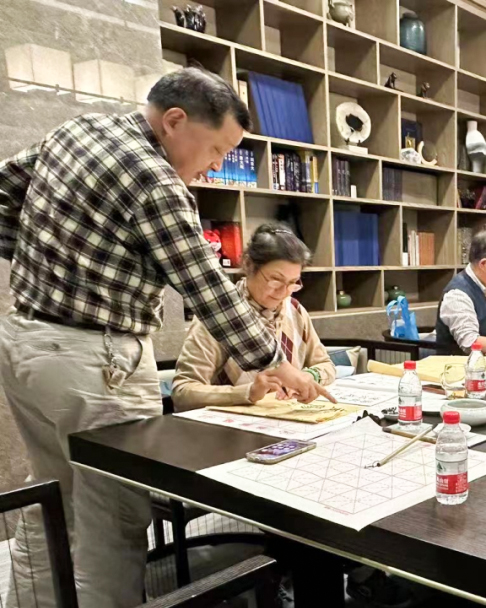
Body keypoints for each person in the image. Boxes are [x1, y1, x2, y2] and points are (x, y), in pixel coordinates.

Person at [0, 68, 331, 608]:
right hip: (96, 360)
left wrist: (46, 261)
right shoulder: (155, 179)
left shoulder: (77, 130)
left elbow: (5, 189)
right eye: (217, 148)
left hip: (26, 341)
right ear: (174, 121)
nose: (217, 165)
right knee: (111, 519)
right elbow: (207, 287)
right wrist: (277, 361)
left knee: (51, 503)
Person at [172, 223, 337, 411]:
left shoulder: (294, 310)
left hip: (284, 417)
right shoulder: (218, 315)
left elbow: (326, 365)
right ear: (249, 265)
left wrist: (308, 377)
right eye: (275, 280)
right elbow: (183, 392)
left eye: (293, 283)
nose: (283, 292)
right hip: (231, 424)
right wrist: (248, 392)